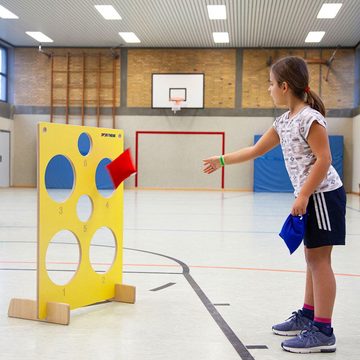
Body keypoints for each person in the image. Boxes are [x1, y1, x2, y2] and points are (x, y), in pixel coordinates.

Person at [203, 56, 346, 354]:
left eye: (270, 84)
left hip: (323, 197)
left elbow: (325, 160)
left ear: (284, 86)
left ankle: (323, 330)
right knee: (311, 258)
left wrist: (304, 194)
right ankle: (309, 314)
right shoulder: (283, 122)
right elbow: (256, 149)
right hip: (311, 197)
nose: (268, 89)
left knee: (320, 261)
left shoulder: (310, 118)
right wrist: (221, 160)